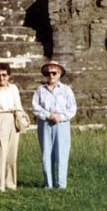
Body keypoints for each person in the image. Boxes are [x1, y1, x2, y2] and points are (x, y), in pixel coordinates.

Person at [31, 60, 76, 189]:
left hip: (61, 124)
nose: (51, 75)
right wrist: (48, 115)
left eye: (54, 73)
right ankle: (48, 184)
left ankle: (61, 184)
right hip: (45, 123)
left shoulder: (66, 90)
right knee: (46, 153)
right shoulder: (40, 90)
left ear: (60, 73)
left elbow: (72, 108)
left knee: (61, 153)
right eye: (48, 73)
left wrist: (60, 117)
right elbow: (35, 107)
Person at [0, 62, 27, 191]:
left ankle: (10, 184)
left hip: (13, 120)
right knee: (0, 154)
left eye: (4, 75)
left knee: (11, 155)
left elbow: (18, 105)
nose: (1, 78)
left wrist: (23, 117)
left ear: (8, 76)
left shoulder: (14, 88)